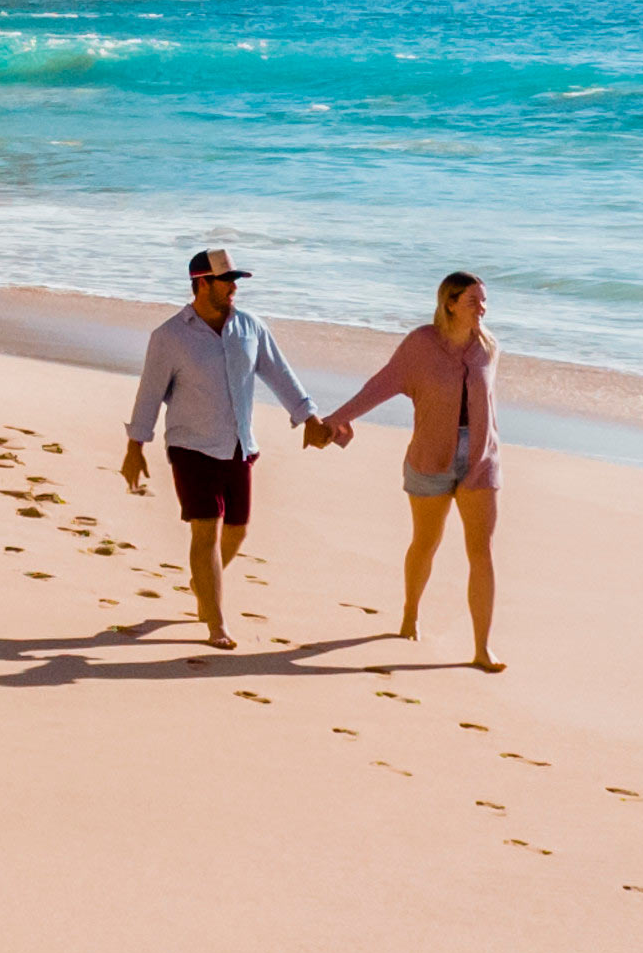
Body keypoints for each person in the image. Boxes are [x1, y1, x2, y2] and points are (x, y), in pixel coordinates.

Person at [117, 246, 322, 649]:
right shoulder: (170, 336)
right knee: (205, 531)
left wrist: (309, 417)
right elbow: (149, 393)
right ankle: (216, 622)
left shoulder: (250, 328)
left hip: (238, 445)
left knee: (237, 531)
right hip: (191, 447)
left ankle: (202, 581)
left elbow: (280, 374)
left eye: (235, 280)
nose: (233, 288)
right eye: (226, 280)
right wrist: (135, 446)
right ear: (202, 283)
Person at [315, 269, 507, 667]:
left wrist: (485, 450)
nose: (482, 309)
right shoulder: (421, 345)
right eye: (474, 301)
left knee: (482, 552)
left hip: (480, 459)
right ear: (450, 304)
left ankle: (482, 649)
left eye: (484, 301)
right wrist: (336, 419)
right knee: (426, 543)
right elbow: (380, 385)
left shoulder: (488, 347)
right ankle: (410, 613)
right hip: (430, 458)